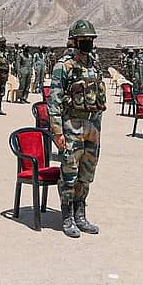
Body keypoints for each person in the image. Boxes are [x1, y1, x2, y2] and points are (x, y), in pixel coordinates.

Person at [48, 19, 105, 239]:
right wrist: (57, 132)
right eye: (84, 40)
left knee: (87, 172)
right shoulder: (63, 66)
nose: (88, 43)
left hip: (92, 126)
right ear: (74, 41)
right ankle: (67, 216)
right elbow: (53, 102)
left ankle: (80, 214)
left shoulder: (94, 64)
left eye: (90, 40)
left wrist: (97, 124)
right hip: (72, 125)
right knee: (69, 174)